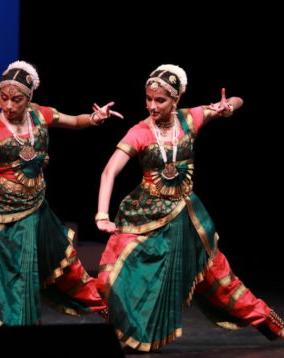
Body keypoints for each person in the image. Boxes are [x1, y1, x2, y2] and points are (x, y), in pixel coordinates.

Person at [95, 64, 284, 351]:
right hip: (146, 218)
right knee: (111, 276)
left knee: (222, 283)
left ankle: (275, 326)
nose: (152, 106)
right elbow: (109, 172)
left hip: (188, 220)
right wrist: (102, 215)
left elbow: (237, 100)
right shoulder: (140, 131)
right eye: (148, 99)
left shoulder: (191, 118)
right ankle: (129, 332)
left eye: (160, 100)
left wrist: (227, 108)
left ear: (177, 99)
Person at [0, 60, 123, 326]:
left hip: (34, 208)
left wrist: (94, 118)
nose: (9, 106)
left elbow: (75, 121)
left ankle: (104, 309)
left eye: (16, 99)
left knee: (67, 268)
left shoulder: (40, 115)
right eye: (4, 98)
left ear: (28, 98)